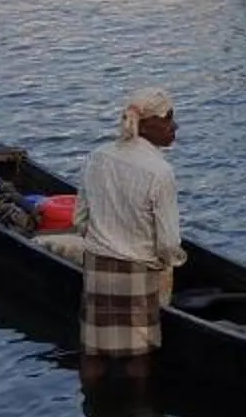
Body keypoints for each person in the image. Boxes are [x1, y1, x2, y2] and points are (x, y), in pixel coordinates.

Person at [75, 87, 183, 387]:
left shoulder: (97, 156)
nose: (174, 126)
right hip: (138, 270)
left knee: (93, 351)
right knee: (138, 356)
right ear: (145, 125)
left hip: (97, 265)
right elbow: (168, 243)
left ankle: (92, 402)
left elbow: (80, 219)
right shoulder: (160, 172)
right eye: (168, 119)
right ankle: (136, 410)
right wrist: (170, 264)